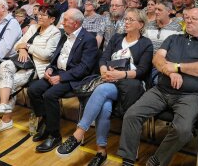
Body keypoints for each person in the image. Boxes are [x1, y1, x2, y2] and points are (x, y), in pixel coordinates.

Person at [117, 8, 198, 166]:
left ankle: (158, 159)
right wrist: (170, 73)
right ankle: (128, 159)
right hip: (161, 90)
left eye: (194, 19)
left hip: (189, 96)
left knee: (183, 130)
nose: (189, 21)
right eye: (188, 18)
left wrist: (177, 67)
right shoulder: (173, 38)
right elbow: (157, 60)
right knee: (132, 114)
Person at [56, 8, 153, 165]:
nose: (126, 22)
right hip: (109, 80)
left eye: (130, 20)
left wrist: (121, 75)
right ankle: (101, 151)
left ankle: (79, 134)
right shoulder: (116, 38)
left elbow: (143, 70)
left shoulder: (145, 43)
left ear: (140, 24)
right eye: (126, 19)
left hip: (130, 85)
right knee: (104, 106)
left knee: (102, 90)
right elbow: (104, 58)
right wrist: (103, 71)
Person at [27, 8, 98, 152]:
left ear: (76, 23)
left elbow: (84, 68)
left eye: (65, 20)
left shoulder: (89, 39)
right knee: (33, 90)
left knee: (49, 95)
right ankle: (47, 123)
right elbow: (56, 57)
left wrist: (61, 77)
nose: (62, 22)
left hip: (74, 78)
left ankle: (54, 136)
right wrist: (50, 68)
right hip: (58, 72)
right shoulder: (64, 35)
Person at [0, 6, 61, 134]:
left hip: (36, 67)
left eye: (44, 15)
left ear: (52, 19)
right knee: (4, 65)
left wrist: (27, 46)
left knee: (10, 83)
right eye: (39, 14)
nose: (40, 17)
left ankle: (6, 120)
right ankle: (4, 104)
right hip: (21, 61)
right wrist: (21, 49)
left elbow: (47, 55)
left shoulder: (55, 32)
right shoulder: (33, 27)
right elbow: (18, 44)